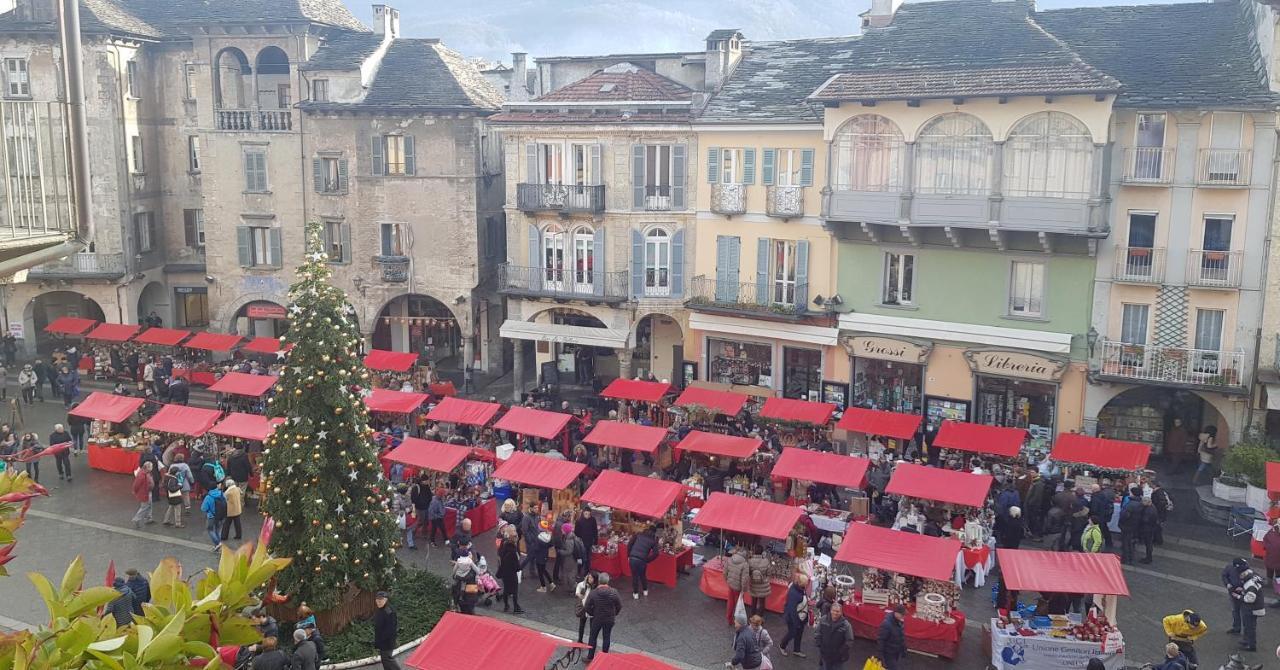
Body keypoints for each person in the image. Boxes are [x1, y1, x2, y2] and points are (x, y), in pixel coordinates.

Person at [584, 571, 623, 662]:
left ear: (599, 581)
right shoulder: (614, 592)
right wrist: (614, 613)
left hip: (597, 618)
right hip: (609, 619)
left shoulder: (594, 593)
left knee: (593, 637)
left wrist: (592, 613)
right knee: (606, 637)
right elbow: (619, 605)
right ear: (608, 581)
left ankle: (590, 657)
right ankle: (604, 657)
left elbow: (587, 606)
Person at [777, 572, 808, 658]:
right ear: (801, 583)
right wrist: (796, 622)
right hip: (793, 618)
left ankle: (796, 650)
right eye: (805, 583)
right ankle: (782, 645)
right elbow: (792, 610)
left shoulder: (799, 588)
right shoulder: (794, 593)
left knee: (799, 633)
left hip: (800, 617)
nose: (807, 585)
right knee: (792, 633)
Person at [816, 603, 854, 670]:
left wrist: (840, 652)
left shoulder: (846, 625)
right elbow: (817, 632)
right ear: (830, 611)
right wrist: (820, 645)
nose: (835, 613)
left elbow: (849, 641)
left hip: (838, 658)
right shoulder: (823, 620)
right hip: (825, 655)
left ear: (841, 612)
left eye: (837, 611)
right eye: (833, 610)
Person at [626, 524, 659, 599]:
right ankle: (645, 590)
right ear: (654, 532)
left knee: (634, 576)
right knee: (642, 575)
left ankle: (635, 594)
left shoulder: (638, 535)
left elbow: (629, 544)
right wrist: (648, 560)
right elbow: (656, 553)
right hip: (642, 560)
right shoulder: (653, 541)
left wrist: (628, 555)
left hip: (633, 558)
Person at [496, 526, 524, 614]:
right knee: (514, 591)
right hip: (511, 573)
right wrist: (520, 567)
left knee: (506, 589)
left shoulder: (503, 543)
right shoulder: (512, 550)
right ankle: (516, 607)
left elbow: (500, 554)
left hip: (504, 571)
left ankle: (506, 606)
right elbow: (516, 565)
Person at [371, 591, 399, 670]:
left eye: (381, 600)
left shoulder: (389, 611)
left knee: (388, 659)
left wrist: (382, 640)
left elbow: (391, 629)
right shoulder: (380, 610)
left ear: (386, 600)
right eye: (377, 600)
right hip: (382, 641)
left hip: (387, 641)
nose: (378, 602)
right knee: (385, 660)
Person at [724, 545, 750, 626]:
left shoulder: (730, 559)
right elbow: (744, 579)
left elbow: (724, 572)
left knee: (730, 602)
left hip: (731, 584)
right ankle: (737, 621)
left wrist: (727, 580)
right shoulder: (745, 564)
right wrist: (743, 590)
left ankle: (729, 618)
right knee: (738, 605)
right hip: (738, 587)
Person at [1238, 567, 1263, 652]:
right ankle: (1246, 641)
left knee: (1250, 627)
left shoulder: (1250, 585)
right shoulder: (1252, 581)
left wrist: (1239, 596)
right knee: (1247, 626)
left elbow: (1250, 599)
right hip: (1252, 609)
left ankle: (1251, 645)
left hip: (1251, 610)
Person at [1223, 557, 1248, 635]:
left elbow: (1253, 583)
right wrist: (1227, 584)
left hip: (1244, 596)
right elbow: (1224, 575)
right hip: (1233, 594)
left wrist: (1243, 588)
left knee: (1245, 613)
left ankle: (1247, 631)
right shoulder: (1230, 567)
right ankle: (1236, 628)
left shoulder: (1247, 571)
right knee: (1235, 611)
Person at [878, 605, 907, 670]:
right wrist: (880, 655)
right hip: (888, 654)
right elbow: (881, 640)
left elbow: (901, 636)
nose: (904, 617)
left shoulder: (900, 622)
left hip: (896, 652)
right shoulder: (886, 624)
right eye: (902, 615)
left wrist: (904, 649)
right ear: (896, 613)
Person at [746, 545, 771, 619]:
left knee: (754, 601)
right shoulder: (766, 561)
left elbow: (748, 572)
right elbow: (769, 573)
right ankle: (759, 617)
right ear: (762, 552)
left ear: (754, 551)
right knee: (762, 602)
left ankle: (752, 616)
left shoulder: (750, 561)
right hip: (763, 584)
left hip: (753, 584)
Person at [201, 483, 227, 552]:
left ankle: (218, 543)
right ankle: (217, 545)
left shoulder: (209, 497)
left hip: (211, 516)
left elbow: (203, 508)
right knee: (218, 530)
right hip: (221, 516)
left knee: (210, 530)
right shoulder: (222, 494)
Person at [574, 571, 598, 644]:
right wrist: (579, 595)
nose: (590, 579)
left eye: (592, 578)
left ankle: (591, 642)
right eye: (589, 577)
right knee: (582, 624)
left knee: (592, 627)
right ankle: (580, 640)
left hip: (592, 609)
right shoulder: (583, 584)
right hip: (584, 607)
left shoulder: (596, 587)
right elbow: (577, 590)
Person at [131, 461, 156, 528]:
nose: (152, 468)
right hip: (145, 493)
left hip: (147, 492)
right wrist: (135, 491)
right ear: (147, 467)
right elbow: (136, 484)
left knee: (149, 505)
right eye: (151, 467)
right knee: (144, 507)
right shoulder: (142, 475)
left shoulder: (145, 473)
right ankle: (136, 519)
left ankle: (148, 518)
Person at [575, 508, 599, 575]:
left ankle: (587, 572)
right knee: (582, 558)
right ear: (583, 513)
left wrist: (595, 541)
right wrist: (578, 543)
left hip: (590, 542)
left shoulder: (593, 520)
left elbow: (595, 531)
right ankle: (578, 571)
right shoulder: (579, 521)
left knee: (588, 558)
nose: (587, 516)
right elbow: (576, 533)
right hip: (582, 543)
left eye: (589, 514)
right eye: (586, 514)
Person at [1263, 520, 1280, 607]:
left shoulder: (1273, 532)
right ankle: (1269, 583)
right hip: (1270, 557)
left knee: (1278, 576)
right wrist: (1267, 547)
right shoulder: (1272, 531)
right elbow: (1265, 539)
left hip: (1277, 561)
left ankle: (1278, 589)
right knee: (1269, 571)